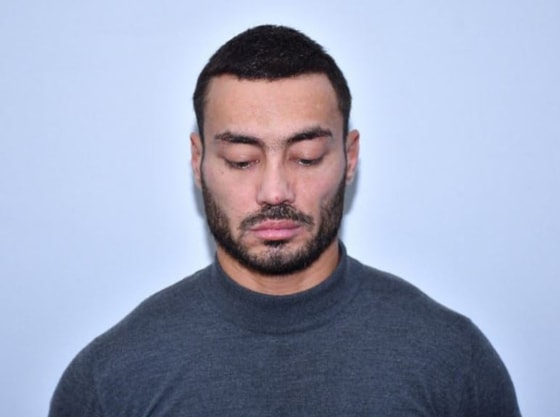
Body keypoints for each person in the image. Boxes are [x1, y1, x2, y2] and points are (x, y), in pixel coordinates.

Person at [49, 25, 521, 416]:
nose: (275, 192)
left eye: (306, 157)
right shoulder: (110, 380)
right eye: (241, 160)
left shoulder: (453, 360)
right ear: (198, 161)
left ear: (350, 157)